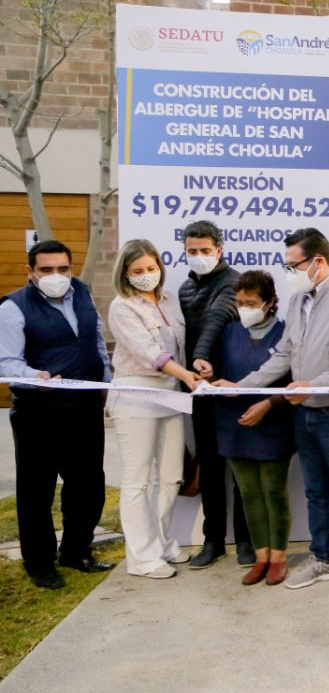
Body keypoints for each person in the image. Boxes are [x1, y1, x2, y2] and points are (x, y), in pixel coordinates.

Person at [216, 228, 329, 595]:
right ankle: (323, 559)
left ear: (318, 261)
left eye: (294, 264)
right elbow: (284, 355)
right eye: (286, 265)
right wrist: (241, 386)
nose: (289, 271)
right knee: (315, 492)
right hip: (303, 414)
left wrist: (314, 385)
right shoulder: (297, 300)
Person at [0, 240, 114, 588]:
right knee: (37, 490)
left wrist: (106, 379)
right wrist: (35, 378)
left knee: (88, 484)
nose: (56, 276)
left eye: (63, 269)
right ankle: (39, 563)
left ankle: (76, 552)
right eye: (46, 270)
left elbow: (94, 339)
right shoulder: (13, 307)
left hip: (85, 407)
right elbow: (7, 361)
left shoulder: (82, 293)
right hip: (39, 411)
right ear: (30, 272)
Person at [107, 239, 200, 579]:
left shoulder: (170, 300)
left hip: (171, 394)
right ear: (125, 274)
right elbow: (151, 354)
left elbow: (180, 346)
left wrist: (194, 370)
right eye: (138, 272)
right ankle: (141, 557)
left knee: (171, 475)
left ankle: (159, 541)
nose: (146, 276)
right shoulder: (122, 306)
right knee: (138, 481)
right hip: (136, 394)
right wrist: (186, 375)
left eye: (151, 269)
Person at [178, 221, 253, 570]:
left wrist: (202, 356)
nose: (198, 257)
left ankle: (245, 542)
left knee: (239, 467)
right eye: (192, 251)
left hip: (232, 387)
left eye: (205, 251)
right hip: (199, 389)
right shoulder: (183, 289)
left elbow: (217, 319)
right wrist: (191, 372)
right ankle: (212, 541)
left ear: (219, 249)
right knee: (209, 467)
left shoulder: (233, 282)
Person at [214, 271, 296, 586]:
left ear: (271, 302)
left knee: (273, 491)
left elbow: (292, 380)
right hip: (233, 423)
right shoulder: (229, 332)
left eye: (252, 303)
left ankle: (278, 556)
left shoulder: (286, 333)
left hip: (272, 422)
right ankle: (261, 556)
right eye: (240, 303)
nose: (245, 308)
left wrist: (267, 405)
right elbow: (220, 373)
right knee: (248, 493)